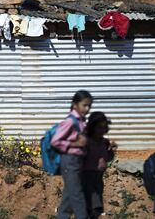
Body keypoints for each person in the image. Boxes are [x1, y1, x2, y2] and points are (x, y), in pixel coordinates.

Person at [51, 90, 93, 219]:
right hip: (70, 161)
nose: (87, 109)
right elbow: (55, 141)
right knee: (78, 197)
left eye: (89, 106)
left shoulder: (80, 121)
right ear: (75, 104)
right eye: (84, 105)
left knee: (69, 197)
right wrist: (75, 144)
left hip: (78, 161)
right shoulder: (70, 121)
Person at [82, 111, 117, 218]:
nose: (102, 130)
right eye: (99, 127)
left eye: (104, 127)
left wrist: (111, 151)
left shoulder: (104, 142)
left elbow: (107, 158)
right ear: (92, 127)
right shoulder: (86, 142)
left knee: (95, 210)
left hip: (98, 180)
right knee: (88, 209)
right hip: (86, 179)